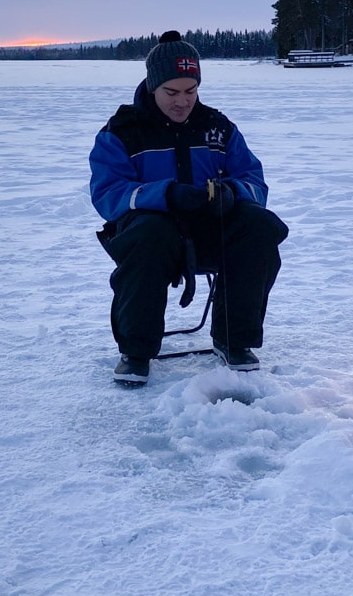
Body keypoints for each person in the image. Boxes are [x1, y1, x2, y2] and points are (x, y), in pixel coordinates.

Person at [90, 31, 289, 386]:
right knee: (149, 233)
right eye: (172, 92)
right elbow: (108, 194)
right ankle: (135, 352)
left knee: (259, 225)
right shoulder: (122, 132)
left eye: (191, 91)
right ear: (153, 86)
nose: (183, 102)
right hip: (150, 238)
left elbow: (254, 180)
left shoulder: (218, 127)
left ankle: (234, 340)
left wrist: (232, 192)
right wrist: (164, 196)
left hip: (210, 233)